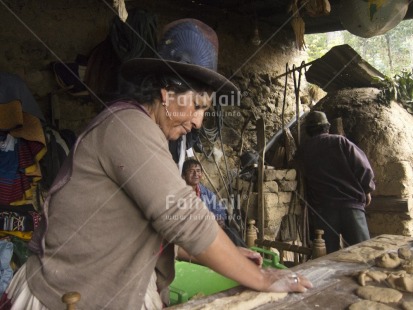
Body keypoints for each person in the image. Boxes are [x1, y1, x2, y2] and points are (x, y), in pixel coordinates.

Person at [2, 19, 312, 309]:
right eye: (198, 106)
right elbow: (184, 218)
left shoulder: (146, 131)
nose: (199, 121)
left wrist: (210, 255)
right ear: (167, 94)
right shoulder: (127, 128)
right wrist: (260, 278)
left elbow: (136, 228)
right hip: (66, 295)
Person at [295, 110, 375, 254]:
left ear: (308, 130)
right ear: (327, 127)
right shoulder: (340, 141)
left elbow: (302, 174)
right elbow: (363, 167)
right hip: (351, 208)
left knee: (328, 258)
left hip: (324, 211)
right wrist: (367, 190)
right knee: (362, 254)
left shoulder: (303, 151)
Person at [181, 158, 245, 246]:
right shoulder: (180, 194)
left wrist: (220, 220)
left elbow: (219, 210)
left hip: (210, 230)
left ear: (202, 174)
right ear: (183, 176)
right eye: (191, 171)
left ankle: (244, 257)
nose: (196, 174)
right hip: (193, 234)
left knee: (232, 232)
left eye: (198, 171)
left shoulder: (206, 192)